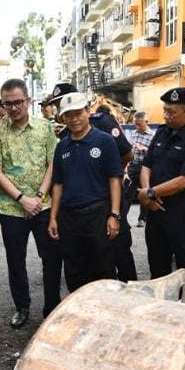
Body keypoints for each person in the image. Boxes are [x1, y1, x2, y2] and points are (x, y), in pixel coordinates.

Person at [0, 78, 61, 328]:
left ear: (28, 100)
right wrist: (22, 199)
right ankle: (22, 306)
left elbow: (52, 164)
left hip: (43, 205)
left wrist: (38, 198)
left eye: (18, 102)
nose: (13, 108)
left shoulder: (45, 127)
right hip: (11, 208)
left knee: (51, 259)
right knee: (15, 261)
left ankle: (52, 308)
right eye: (7, 104)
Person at [48, 83, 136, 281]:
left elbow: (115, 178)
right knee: (74, 271)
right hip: (70, 218)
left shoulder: (104, 139)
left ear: (87, 111)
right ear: (63, 117)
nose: (74, 119)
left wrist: (114, 214)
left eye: (78, 113)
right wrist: (53, 218)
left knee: (104, 268)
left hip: (98, 213)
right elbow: (58, 184)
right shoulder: (62, 145)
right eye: (68, 115)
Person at [137, 87, 185, 279]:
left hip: (182, 216)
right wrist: (147, 193)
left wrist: (150, 193)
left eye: (171, 112)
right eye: (165, 110)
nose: (166, 116)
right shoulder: (162, 132)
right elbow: (147, 165)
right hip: (156, 212)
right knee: (157, 269)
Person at [127, 111, 156, 227]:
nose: (137, 126)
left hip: (145, 168)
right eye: (135, 124)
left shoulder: (153, 136)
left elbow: (155, 154)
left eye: (139, 124)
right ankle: (122, 218)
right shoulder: (133, 134)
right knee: (128, 193)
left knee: (145, 192)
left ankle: (142, 219)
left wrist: (144, 150)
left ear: (146, 122)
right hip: (133, 166)